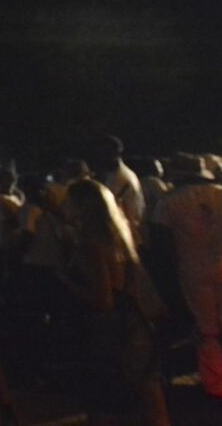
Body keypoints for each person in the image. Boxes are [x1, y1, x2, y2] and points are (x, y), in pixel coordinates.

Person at [154, 152, 222, 409]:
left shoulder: (168, 202)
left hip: (192, 268)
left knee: (207, 330)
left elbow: (161, 241)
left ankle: (219, 388)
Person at [60, 179, 170, 425]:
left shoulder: (90, 244)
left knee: (108, 398)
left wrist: (66, 282)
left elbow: (103, 300)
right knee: (148, 389)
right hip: (134, 321)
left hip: (108, 331)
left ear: (82, 206)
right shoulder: (120, 235)